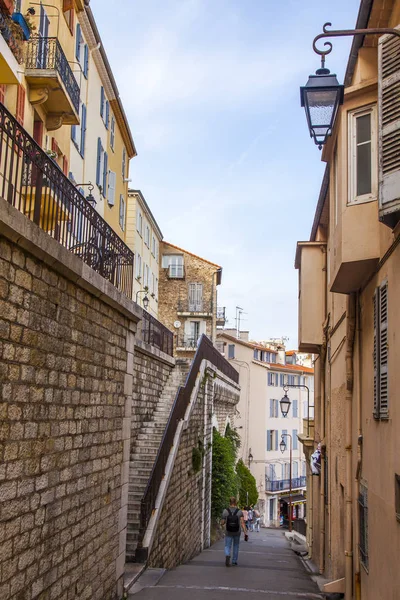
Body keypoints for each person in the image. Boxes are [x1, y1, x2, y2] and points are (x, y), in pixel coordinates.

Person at [221, 497, 248, 566]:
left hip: (228, 531)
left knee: (227, 545)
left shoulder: (225, 511)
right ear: (236, 502)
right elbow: (242, 523)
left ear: (229, 502)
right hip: (237, 531)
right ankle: (234, 561)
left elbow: (223, 522)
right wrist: (245, 533)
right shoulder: (239, 511)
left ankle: (227, 555)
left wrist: (222, 523)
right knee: (236, 546)